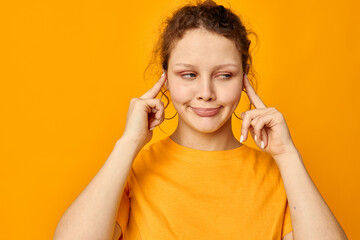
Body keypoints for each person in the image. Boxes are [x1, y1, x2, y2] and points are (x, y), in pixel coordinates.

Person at [54, 0, 348, 240]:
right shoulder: (133, 170)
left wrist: (287, 154)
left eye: (224, 75)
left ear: (244, 78)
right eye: (189, 75)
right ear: (165, 78)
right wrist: (128, 143)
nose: (206, 93)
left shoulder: (280, 176)